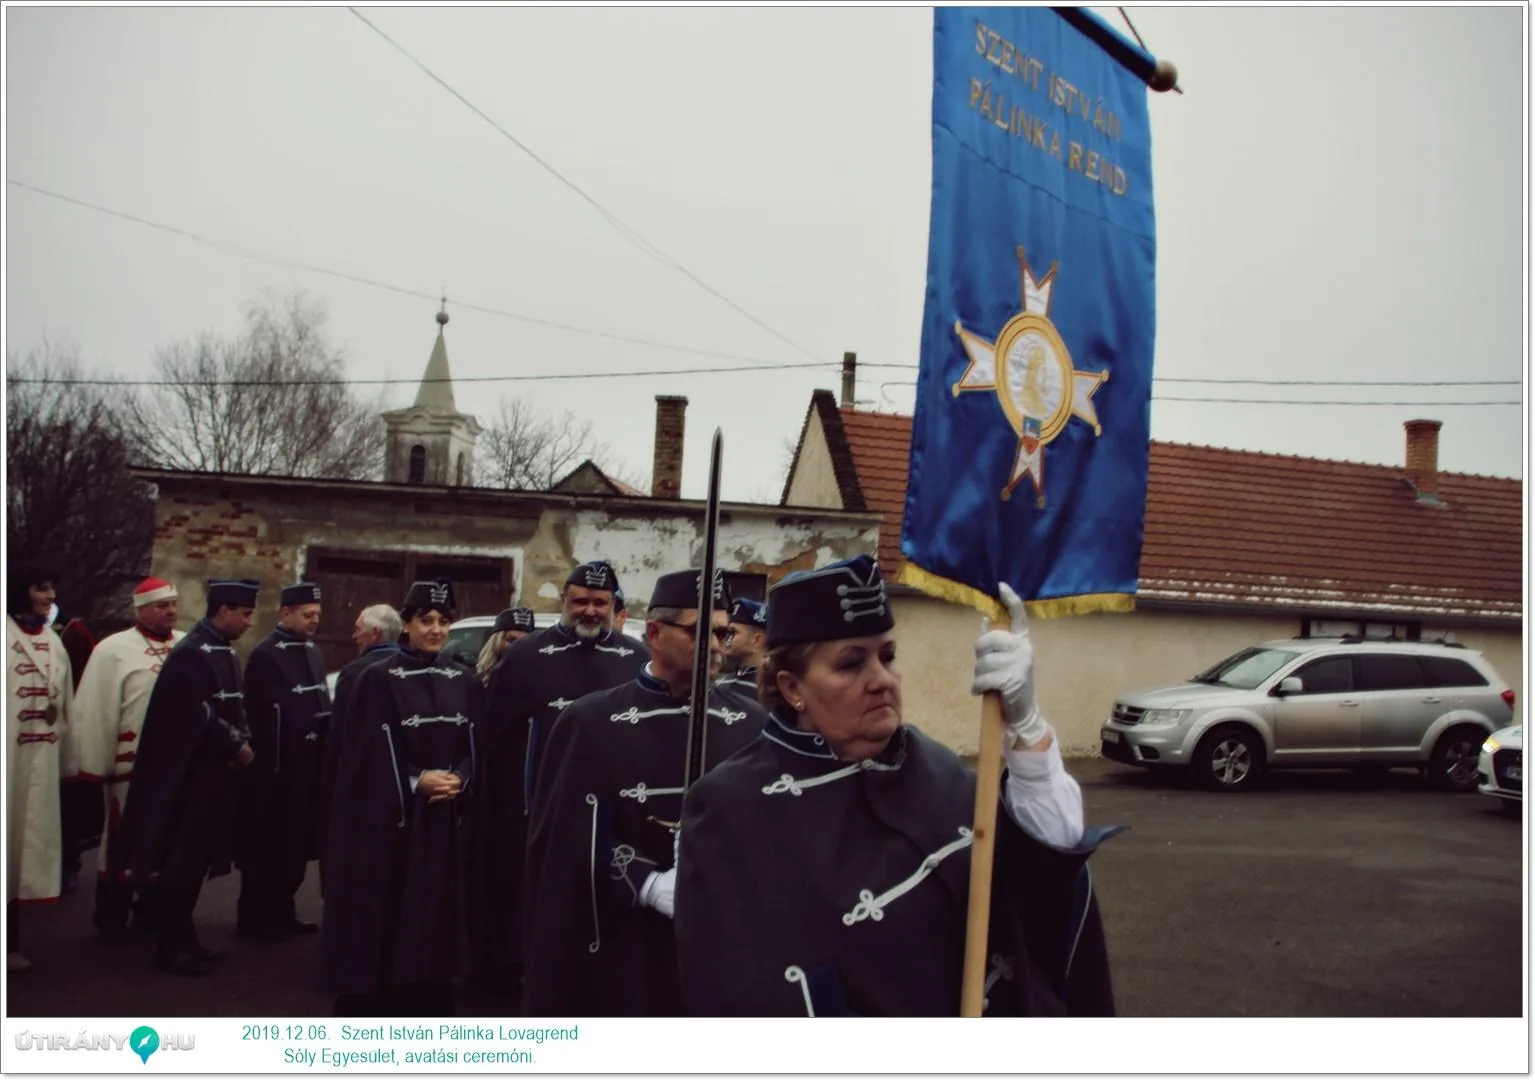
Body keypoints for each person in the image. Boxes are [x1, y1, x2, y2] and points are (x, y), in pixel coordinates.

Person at [673, 555, 1120, 1016]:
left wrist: (1027, 729)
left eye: (887, 656)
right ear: (792, 688)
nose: (882, 679)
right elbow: (743, 995)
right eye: (851, 664)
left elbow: (1046, 877)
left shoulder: (931, 762)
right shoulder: (729, 809)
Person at [522, 568, 770, 1016]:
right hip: (622, 945)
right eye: (699, 632)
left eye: (723, 632)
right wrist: (644, 881)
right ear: (654, 632)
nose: (716, 646)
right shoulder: (589, 721)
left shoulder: (752, 723)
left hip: (717, 943)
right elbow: (563, 834)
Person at [468, 561, 646, 997]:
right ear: (565, 600)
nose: (589, 610)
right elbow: (498, 738)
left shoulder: (636, 657)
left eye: (599, 602)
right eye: (580, 600)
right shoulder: (526, 657)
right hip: (535, 805)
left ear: (612, 605)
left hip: (614, 807)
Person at [320, 580, 477, 1017]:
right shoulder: (375, 679)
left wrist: (461, 777)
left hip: (442, 821)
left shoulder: (463, 679)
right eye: (425, 620)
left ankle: (426, 992)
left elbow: (475, 742)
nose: (436, 629)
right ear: (406, 624)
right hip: (388, 822)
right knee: (388, 909)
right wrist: (414, 780)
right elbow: (362, 754)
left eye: (444, 621)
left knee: (433, 911)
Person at [118, 578, 259, 977]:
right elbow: (197, 714)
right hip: (189, 778)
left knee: (195, 864)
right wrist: (236, 746)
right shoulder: (191, 653)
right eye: (245, 613)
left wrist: (240, 738)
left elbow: (234, 705)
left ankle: (186, 939)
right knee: (180, 864)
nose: (250, 621)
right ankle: (169, 947)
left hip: (213, 775)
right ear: (224, 611)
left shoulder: (221, 651)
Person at [72, 577, 185, 944]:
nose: (169, 611)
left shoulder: (186, 645)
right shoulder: (113, 649)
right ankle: (110, 916)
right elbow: (95, 706)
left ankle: (150, 914)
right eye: (161, 605)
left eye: (173, 604)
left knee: (164, 840)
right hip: (127, 765)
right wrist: (94, 761)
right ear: (140, 610)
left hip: (173, 766)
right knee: (121, 841)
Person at [236, 582, 331, 942]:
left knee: (296, 846)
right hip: (275, 768)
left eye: (318, 615)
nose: (314, 621)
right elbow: (260, 715)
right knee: (267, 846)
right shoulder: (265, 654)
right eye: (307, 615)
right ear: (286, 613)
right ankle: (254, 919)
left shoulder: (314, 652)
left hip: (308, 765)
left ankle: (283, 910)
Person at [5, 566, 80, 974]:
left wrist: (69, 760)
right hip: (9, 758)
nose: (50, 594)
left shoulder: (54, 642)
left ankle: (10, 940)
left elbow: (65, 703)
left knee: (22, 850)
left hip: (41, 760)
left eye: (52, 586)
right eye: (40, 587)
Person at [317, 603, 401, 891]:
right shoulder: (408, 668)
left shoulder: (355, 672)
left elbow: (342, 733)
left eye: (358, 629)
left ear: (375, 634)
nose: (353, 636)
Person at [714, 596, 768, 701]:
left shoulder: (771, 690)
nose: (726, 639)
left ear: (757, 640)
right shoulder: (719, 681)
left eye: (733, 632)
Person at [474, 606, 535, 685]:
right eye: (512, 640)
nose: (519, 646)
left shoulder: (538, 682)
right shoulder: (476, 683)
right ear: (496, 641)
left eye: (526, 641)